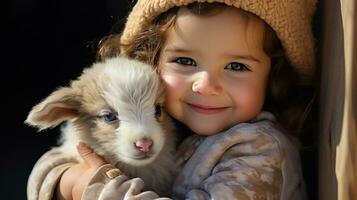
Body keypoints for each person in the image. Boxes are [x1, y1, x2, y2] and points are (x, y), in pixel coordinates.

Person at [27, 0, 316, 199]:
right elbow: (55, 163)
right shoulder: (177, 122)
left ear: (274, 75)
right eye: (185, 61)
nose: (205, 85)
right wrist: (68, 180)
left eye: (237, 66)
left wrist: (97, 188)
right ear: (153, 63)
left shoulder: (260, 151)